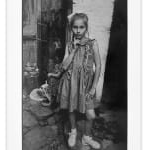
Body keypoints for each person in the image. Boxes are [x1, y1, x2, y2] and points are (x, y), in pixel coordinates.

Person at [48, 13, 101, 149]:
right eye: (75, 27)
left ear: (86, 27)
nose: (78, 31)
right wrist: (74, 49)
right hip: (71, 82)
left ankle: (86, 138)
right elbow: (65, 65)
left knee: (91, 115)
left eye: (81, 27)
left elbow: (98, 65)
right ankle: (73, 131)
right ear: (71, 29)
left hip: (86, 84)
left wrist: (94, 86)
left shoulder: (92, 43)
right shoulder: (70, 45)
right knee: (71, 110)